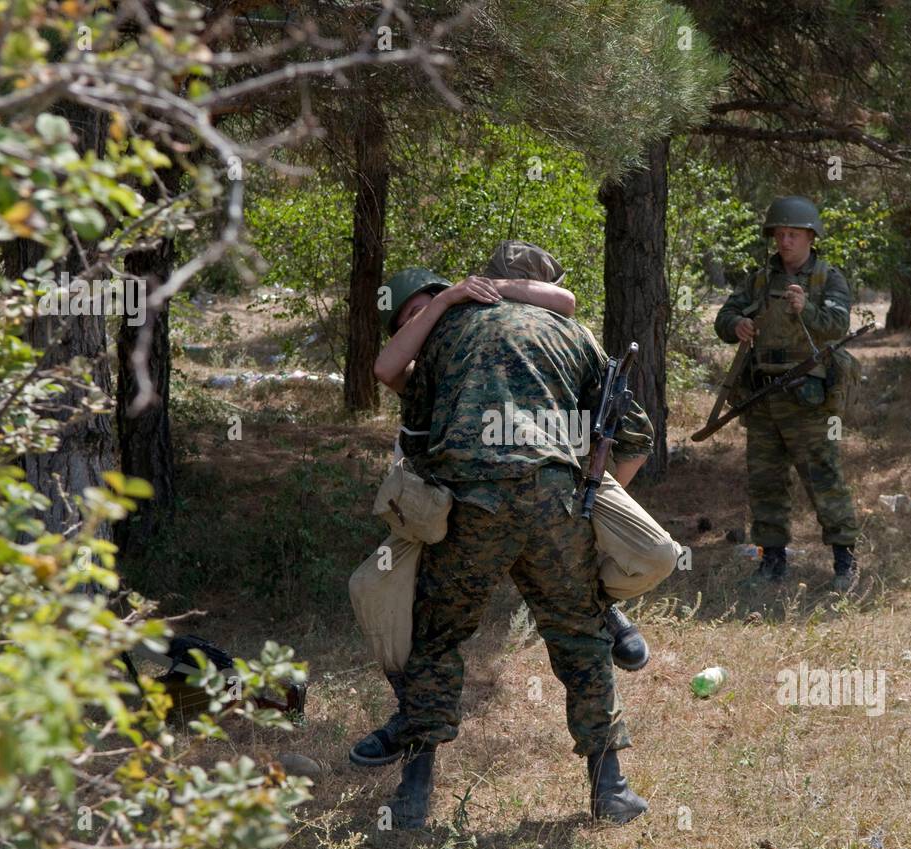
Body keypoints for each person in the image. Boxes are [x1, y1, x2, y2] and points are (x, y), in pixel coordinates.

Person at [348, 243, 679, 769]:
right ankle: (609, 783)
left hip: (466, 508)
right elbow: (634, 431)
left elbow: (413, 443)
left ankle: (416, 780)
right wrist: (589, 499)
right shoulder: (571, 333)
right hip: (555, 502)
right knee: (580, 635)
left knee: (433, 635)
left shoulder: (442, 342)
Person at [713, 196, 860, 592]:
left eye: (793, 234)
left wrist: (806, 309)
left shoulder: (828, 278)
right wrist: (737, 324)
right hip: (762, 397)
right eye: (779, 234)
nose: (785, 241)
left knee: (823, 477)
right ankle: (772, 561)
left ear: (811, 237)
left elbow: (836, 325)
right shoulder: (758, 280)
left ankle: (845, 561)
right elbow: (723, 318)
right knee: (765, 481)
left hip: (808, 399)